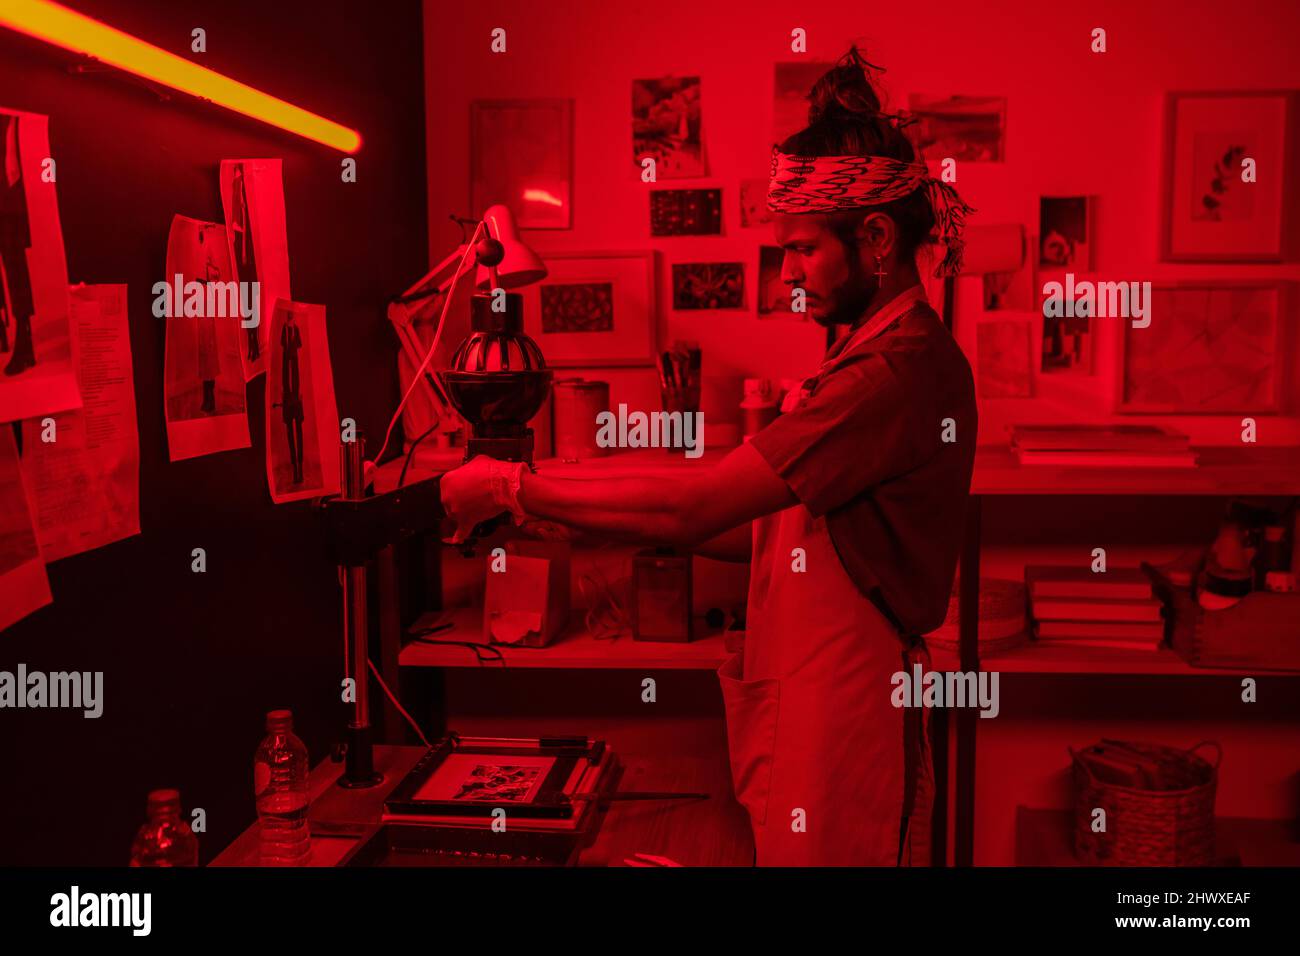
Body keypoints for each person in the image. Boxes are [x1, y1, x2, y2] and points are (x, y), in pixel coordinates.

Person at [439, 47, 978, 866]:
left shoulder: (893, 373)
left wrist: (515, 488)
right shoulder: (861, 355)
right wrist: (588, 525)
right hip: (815, 698)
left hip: (850, 714)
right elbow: (761, 533)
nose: (790, 275)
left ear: (874, 238)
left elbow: (696, 507)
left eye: (802, 250)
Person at [0, 113, 36, 376]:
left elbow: (12, 160)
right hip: (8, 197)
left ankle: (24, 340)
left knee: (14, 268)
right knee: (13, 268)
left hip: (7, 200)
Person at [230, 164, 261, 364]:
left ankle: (255, 344)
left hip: (250, 267)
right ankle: (252, 345)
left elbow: (245, 235)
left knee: (253, 304)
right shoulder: (237, 200)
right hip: (244, 267)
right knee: (247, 304)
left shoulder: (247, 211)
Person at [279, 308, 304, 484]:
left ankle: (299, 466)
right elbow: (283, 346)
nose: (289, 316)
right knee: (289, 429)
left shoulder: (296, 329)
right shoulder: (285, 330)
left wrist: (299, 394)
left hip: (296, 392)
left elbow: (299, 346)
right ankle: (294, 464)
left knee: (299, 429)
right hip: (287, 394)